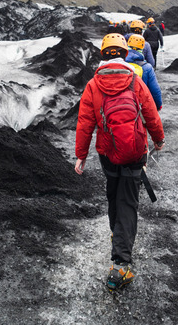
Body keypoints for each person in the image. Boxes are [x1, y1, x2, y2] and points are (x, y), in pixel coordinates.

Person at [75, 33, 165, 291]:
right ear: (125, 55)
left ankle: (117, 234)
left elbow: (84, 124)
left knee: (114, 195)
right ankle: (120, 266)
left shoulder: (93, 85)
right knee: (128, 202)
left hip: (107, 153)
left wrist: (81, 155)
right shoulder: (135, 81)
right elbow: (151, 115)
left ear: (103, 55)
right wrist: (158, 140)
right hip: (136, 152)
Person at [125, 34, 162, 111]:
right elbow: (155, 90)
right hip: (139, 106)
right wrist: (158, 105)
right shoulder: (147, 67)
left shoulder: (120, 64)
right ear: (142, 49)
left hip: (121, 104)